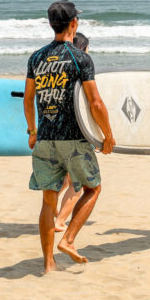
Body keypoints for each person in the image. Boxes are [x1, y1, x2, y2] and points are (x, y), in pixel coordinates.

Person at [23, 1, 115, 274]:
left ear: (51, 24)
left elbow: (29, 99)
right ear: (73, 23)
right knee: (93, 188)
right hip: (73, 139)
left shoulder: (36, 57)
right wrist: (107, 135)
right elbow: (95, 101)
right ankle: (69, 239)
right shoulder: (80, 58)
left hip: (44, 139)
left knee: (48, 201)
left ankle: (48, 264)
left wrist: (32, 130)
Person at [54, 31, 89, 232]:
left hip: (55, 130)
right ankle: (60, 221)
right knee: (78, 183)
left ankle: (52, 213)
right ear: (82, 49)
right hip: (74, 132)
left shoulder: (58, 69)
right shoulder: (81, 70)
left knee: (66, 177)